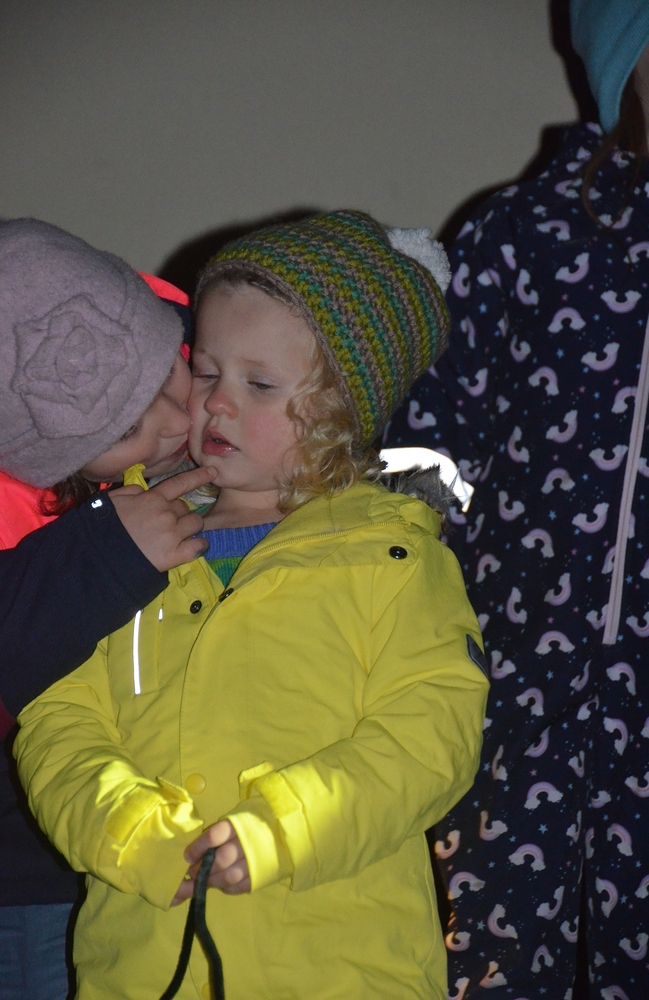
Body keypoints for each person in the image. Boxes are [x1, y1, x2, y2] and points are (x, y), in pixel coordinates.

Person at [15, 210, 489, 1000]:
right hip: (145, 967)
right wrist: (126, 829)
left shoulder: (395, 559)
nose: (218, 406)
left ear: (341, 408)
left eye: (259, 384)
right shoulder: (122, 548)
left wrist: (290, 824)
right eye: (206, 373)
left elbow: (429, 735)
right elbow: (58, 721)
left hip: (343, 972)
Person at [383, 3, 649, 997]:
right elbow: (434, 428)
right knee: (492, 937)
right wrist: (395, 586)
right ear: (624, 60)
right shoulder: (527, 229)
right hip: (515, 656)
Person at [0, 218, 213, 1000]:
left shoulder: (225, 366)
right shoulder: (22, 505)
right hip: (36, 874)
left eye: (169, 375)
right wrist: (100, 555)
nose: (174, 424)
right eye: (126, 429)